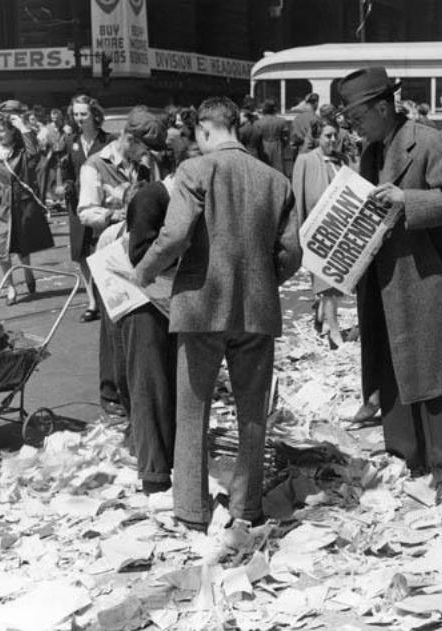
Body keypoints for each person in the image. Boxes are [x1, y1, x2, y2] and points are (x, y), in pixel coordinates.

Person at [133, 96, 301, 531]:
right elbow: (292, 252)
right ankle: (247, 506)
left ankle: (191, 510)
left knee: (193, 413)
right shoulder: (275, 179)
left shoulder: (195, 170)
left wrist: (144, 271)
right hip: (256, 311)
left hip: (201, 308)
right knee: (252, 413)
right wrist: (265, 282)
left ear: (205, 129)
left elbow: (174, 236)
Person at [339, 67, 442, 502]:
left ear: (384, 108)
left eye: (359, 117)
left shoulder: (428, 142)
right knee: (391, 367)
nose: (355, 127)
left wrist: (409, 201)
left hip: (427, 275)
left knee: (434, 370)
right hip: (384, 277)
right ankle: (408, 454)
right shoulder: (370, 151)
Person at [77, 107, 164, 419]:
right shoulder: (95, 166)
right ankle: (111, 392)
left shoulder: (146, 163)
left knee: (138, 321)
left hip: (138, 249)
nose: (147, 155)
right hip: (109, 250)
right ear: (129, 137)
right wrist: (118, 215)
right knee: (113, 324)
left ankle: (134, 386)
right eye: (144, 147)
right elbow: (85, 211)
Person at [121, 176, 177, 495]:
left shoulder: (164, 196)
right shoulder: (154, 198)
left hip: (160, 298)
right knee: (149, 381)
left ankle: (159, 459)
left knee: (158, 380)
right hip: (144, 300)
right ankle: (154, 473)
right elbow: (141, 254)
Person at [0, 107, 54, 305]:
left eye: (2, 130)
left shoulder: (22, 151)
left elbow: (35, 153)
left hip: (19, 204)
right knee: (1, 248)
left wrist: (22, 125)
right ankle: (10, 286)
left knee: (22, 245)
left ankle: (28, 273)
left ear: (12, 131)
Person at [292, 114, 349, 348]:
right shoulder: (304, 161)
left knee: (334, 282)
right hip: (317, 232)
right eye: (328, 136)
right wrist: (298, 235)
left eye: (336, 135)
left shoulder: (342, 160)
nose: (333, 140)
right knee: (327, 284)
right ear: (317, 137)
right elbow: (297, 200)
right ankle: (334, 331)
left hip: (340, 229)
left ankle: (321, 316)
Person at [62, 95, 111, 324]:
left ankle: (108, 299)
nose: (79, 118)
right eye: (76, 114)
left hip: (102, 205)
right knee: (82, 254)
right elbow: (66, 170)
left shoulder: (108, 140)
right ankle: (92, 301)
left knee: (102, 250)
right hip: (77, 205)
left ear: (94, 115)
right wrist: (67, 184)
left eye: (83, 114)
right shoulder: (70, 140)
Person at [253, 98, 288, 174]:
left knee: (264, 170)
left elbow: (256, 139)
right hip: (277, 145)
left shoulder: (258, 123)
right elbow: (285, 137)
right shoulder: (282, 121)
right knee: (278, 169)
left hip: (264, 146)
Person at [289, 92, 319, 158]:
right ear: (316, 103)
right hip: (313, 152)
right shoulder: (316, 118)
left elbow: (293, 138)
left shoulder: (297, 118)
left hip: (300, 151)